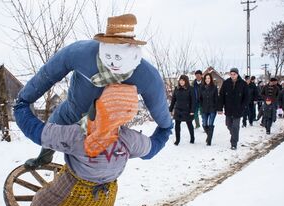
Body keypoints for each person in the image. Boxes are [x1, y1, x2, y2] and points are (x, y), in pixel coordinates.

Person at [12, 84, 172, 206]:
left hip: (73, 192)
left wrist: (21, 107)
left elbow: (37, 132)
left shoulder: (78, 136)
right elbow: (151, 149)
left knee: (42, 203)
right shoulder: (128, 138)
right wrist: (165, 129)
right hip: (101, 205)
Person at [16, 14, 172, 169]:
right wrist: (25, 98)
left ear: (132, 51)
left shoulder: (148, 76)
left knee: (98, 156)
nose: (112, 62)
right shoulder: (80, 53)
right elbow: (48, 75)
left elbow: (159, 107)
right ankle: (44, 158)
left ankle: (88, 174)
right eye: (109, 55)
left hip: (107, 125)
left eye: (118, 57)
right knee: (52, 129)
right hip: (72, 109)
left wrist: (165, 129)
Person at [217, 68, 249, 150]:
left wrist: (243, 107)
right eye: (231, 74)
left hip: (238, 109)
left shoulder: (243, 84)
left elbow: (246, 97)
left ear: (237, 74)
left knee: (235, 126)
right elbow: (221, 96)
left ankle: (234, 143)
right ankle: (235, 135)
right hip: (228, 109)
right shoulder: (226, 83)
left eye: (234, 74)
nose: (232, 76)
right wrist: (220, 108)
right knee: (228, 125)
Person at [169, 75, 195, 145]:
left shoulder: (191, 89)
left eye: (183, 80)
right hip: (178, 110)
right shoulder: (176, 89)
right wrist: (170, 109)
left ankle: (192, 138)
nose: (181, 82)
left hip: (187, 110)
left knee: (189, 124)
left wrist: (192, 110)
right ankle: (177, 140)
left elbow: (193, 101)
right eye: (180, 80)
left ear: (186, 81)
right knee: (177, 125)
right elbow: (173, 100)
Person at [199, 73, 218, 146]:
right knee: (204, 124)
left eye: (209, 78)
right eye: (206, 78)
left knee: (210, 124)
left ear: (211, 79)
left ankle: (209, 141)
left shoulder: (214, 88)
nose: (207, 80)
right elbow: (200, 98)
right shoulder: (202, 87)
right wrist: (201, 105)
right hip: (204, 109)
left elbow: (216, 98)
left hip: (212, 109)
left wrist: (217, 108)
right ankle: (209, 136)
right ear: (204, 79)